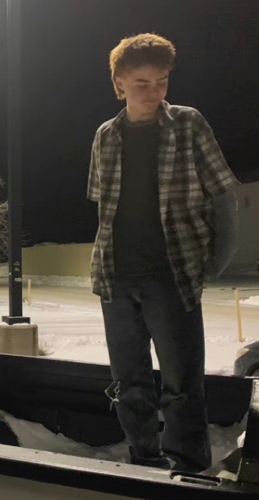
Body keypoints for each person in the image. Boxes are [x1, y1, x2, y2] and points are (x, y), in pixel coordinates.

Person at [87, 33, 239, 472]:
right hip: (116, 278)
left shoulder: (188, 124)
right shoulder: (106, 136)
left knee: (182, 384)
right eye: (142, 83)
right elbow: (104, 208)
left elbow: (223, 194)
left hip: (172, 273)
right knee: (128, 381)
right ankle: (143, 458)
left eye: (162, 81)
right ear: (119, 82)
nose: (153, 92)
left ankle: (188, 466)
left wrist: (216, 261)